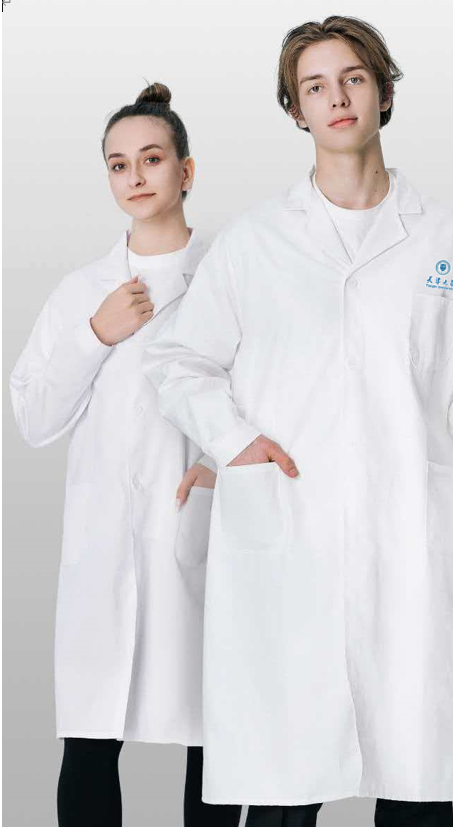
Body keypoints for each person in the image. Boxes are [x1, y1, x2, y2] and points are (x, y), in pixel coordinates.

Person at [143, 16, 453, 827]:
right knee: (287, 788)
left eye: (353, 78)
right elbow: (178, 362)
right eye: (315, 86)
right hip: (288, 549)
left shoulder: (449, 241)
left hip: (412, 550)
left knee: (417, 784)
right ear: (295, 110)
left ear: (383, 92)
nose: (337, 98)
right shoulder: (255, 243)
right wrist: (234, 441)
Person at [10, 82, 243, 827]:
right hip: (102, 550)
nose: (135, 176)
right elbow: (33, 419)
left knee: (216, 741)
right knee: (89, 738)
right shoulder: (82, 291)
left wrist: (222, 464)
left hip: (209, 536)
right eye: (118, 164)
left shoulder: (234, 276)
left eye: (152, 158)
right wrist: (95, 334)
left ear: (187, 170)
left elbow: (279, 396)